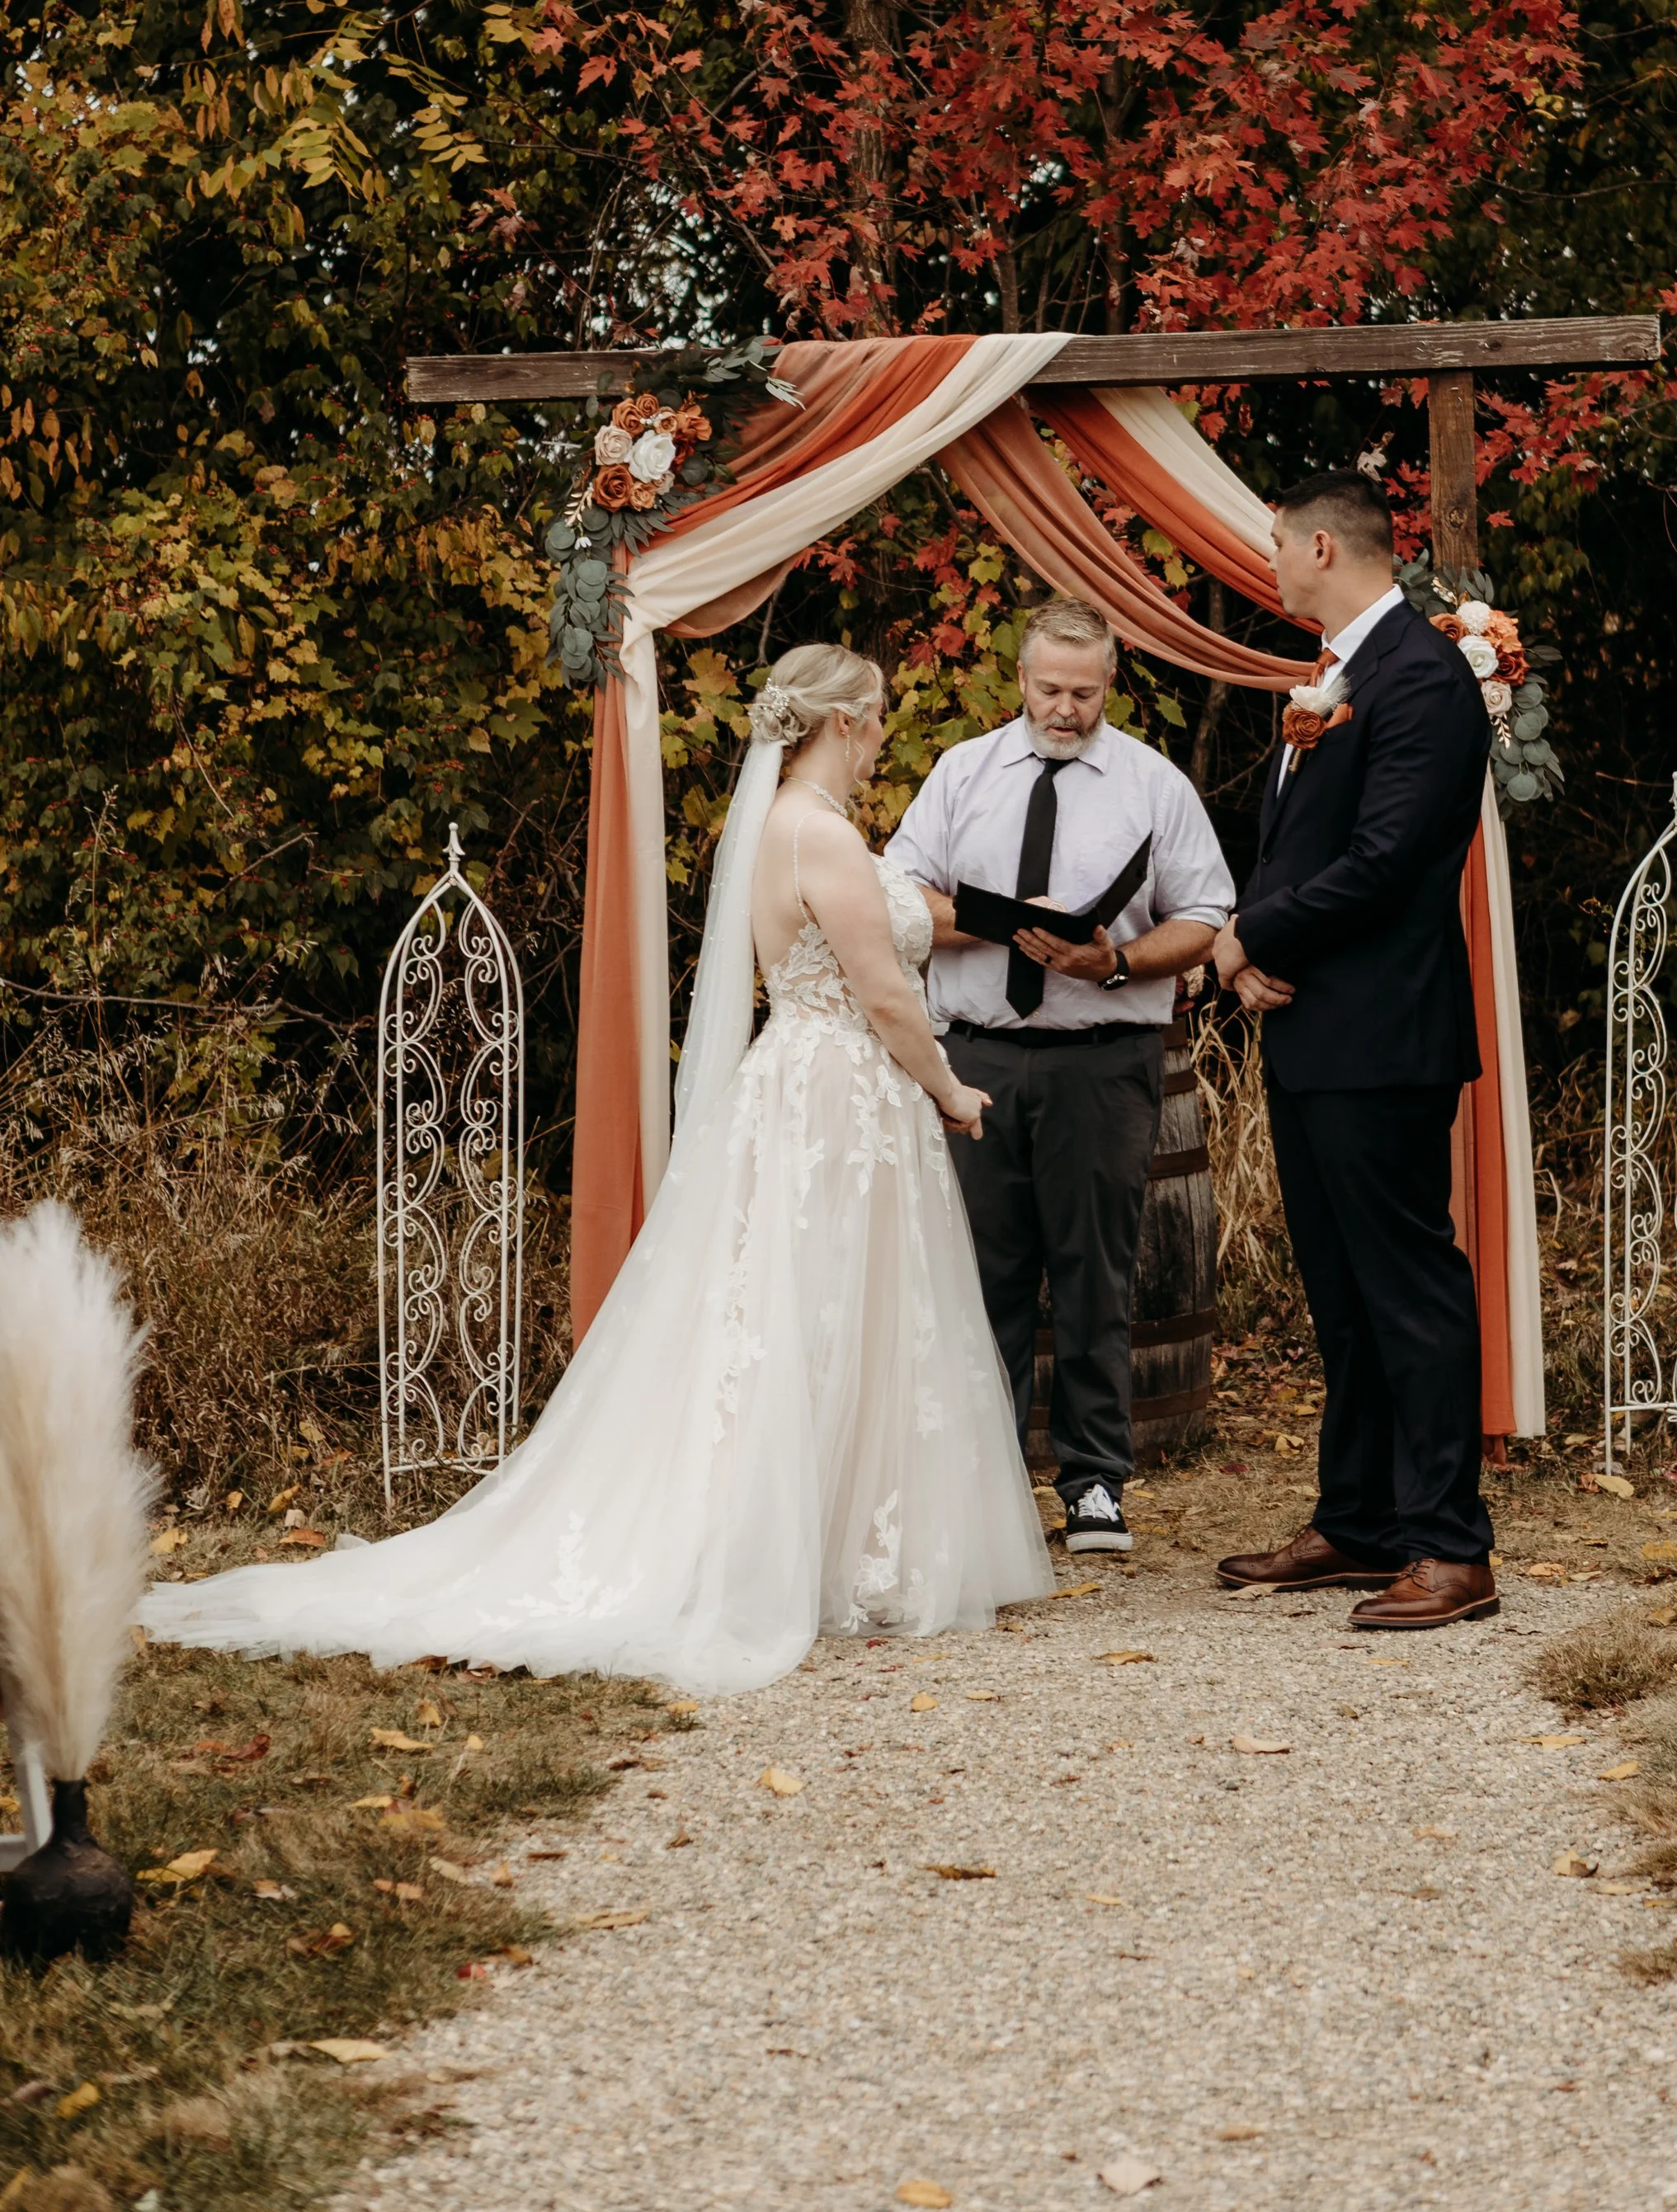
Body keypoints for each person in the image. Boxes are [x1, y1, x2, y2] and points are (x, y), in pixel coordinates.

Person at [139, 646, 1053, 1694]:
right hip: (837, 1098)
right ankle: (814, 1553)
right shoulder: (824, 836)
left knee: (798, 1315)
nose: (887, 734)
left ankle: (831, 1544)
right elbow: (885, 995)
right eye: (880, 716)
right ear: (841, 723)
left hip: (808, 1090)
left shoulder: (778, 826)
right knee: (824, 1311)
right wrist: (948, 1089)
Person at [885, 598, 1233, 1557]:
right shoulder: (963, 774)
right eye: (1049, 689)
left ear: (1109, 684)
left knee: (1093, 1275)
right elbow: (898, 896)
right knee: (981, 1276)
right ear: (1022, 679)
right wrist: (999, 923)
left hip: (1102, 1061)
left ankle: (1093, 1485)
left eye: (1083, 692)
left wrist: (1113, 964)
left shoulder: (1153, 787)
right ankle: (982, 1484)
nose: (1065, 709)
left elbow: (1205, 910)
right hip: (979, 1055)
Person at [1211, 468, 1496, 1631]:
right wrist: (1244, 952)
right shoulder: (1337, 676)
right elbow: (1298, 851)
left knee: (1408, 1286)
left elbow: (1387, 859)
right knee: (1344, 1292)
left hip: (1382, 1032)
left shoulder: (1419, 678)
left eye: (1278, 543)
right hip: (1313, 1026)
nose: (1268, 560)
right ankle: (1362, 1517)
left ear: (1325, 547)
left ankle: (1450, 1545)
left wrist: (1245, 932)